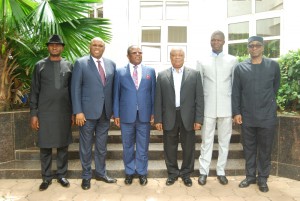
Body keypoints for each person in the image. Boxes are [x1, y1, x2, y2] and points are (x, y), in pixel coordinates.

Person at [232, 36, 281, 192]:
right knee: (249, 148)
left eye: (257, 45)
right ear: (248, 48)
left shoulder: (273, 66)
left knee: (265, 149)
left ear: (263, 47)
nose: (254, 48)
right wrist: (237, 112)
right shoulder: (240, 68)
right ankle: (250, 176)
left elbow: (275, 87)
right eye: (251, 46)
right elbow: (236, 92)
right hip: (247, 115)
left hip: (267, 115)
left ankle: (262, 179)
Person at [71, 37, 117, 190]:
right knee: (85, 146)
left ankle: (101, 173)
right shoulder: (81, 63)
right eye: (94, 45)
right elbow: (75, 89)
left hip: (105, 113)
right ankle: (86, 176)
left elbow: (112, 90)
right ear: (89, 46)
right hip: (86, 114)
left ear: (104, 48)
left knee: (101, 146)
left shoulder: (111, 64)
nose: (97, 47)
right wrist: (78, 111)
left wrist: (113, 111)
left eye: (100, 45)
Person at [154, 47, 204, 187]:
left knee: (188, 147)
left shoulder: (194, 74)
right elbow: (158, 99)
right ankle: (172, 173)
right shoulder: (162, 75)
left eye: (180, 55)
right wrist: (158, 119)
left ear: (184, 57)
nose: (177, 58)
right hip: (169, 116)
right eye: (174, 55)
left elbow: (199, 98)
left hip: (188, 116)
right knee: (169, 147)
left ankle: (186, 174)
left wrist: (198, 119)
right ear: (170, 57)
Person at [30, 34, 73, 191]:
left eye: (58, 45)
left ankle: (62, 175)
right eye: (52, 45)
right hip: (45, 113)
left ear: (62, 47)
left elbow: (72, 91)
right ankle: (46, 177)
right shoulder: (39, 66)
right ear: (48, 47)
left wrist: (74, 112)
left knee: (63, 146)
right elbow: (34, 91)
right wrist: (34, 114)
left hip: (63, 112)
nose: (55, 47)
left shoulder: (69, 65)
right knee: (45, 147)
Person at [197, 31, 238, 186]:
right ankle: (203, 172)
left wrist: (235, 110)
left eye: (218, 40)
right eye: (213, 39)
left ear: (224, 41)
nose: (215, 42)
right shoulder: (202, 60)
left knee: (224, 141)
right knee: (206, 141)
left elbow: (235, 86)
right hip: (208, 108)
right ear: (210, 41)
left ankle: (221, 171)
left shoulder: (232, 60)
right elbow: (199, 88)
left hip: (226, 108)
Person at [113, 45, 156, 186]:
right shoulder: (119, 72)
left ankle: (142, 172)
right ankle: (130, 172)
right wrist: (116, 114)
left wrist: (153, 113)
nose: (137, 54)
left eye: (140, 52)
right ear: (128, 56)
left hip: (144, 116)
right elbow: (116, 94)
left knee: (143, 146)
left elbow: (153, 94)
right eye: (134, 53)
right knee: (128, 146)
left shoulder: (150, 71)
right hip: (126, 116)